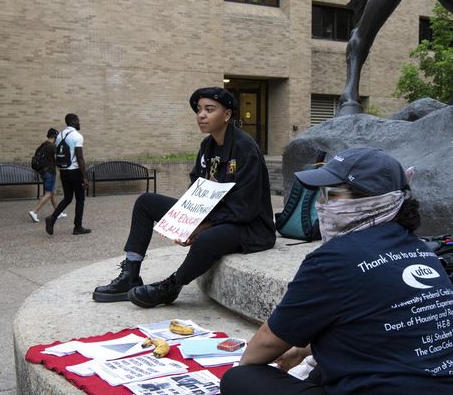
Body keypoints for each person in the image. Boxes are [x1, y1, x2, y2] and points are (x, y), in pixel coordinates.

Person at [220, 147, 453, 395]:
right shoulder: (422, 250)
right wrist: (303, 350)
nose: (321, 205)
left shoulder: (333, 259)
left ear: (370, 202)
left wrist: (248, 368)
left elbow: (267, 343)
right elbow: (382, 329)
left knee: (240, 378)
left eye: (331, 195)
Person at [93, 87, 276, 307]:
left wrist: (200, 227)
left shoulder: (245, 148)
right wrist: (184, 221)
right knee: (145, 202)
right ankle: (130, 275)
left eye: (210, 109)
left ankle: (171, 286)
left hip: (250, 226)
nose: (201, 115)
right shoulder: (207, 146)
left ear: (227, 115)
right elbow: (196, 191)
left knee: (207, 239)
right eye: (199, 109)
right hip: (216, 217)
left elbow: (244, 209)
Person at [45, 113, 90, 235]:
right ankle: (78, 227)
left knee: (68, 198)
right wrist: (85, 177)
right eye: (78, 121)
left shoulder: (60, 135)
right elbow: (80, 157)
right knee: (80, 198)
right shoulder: (77, 136)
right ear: (74, 121)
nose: (79, 123)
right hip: (75, 171)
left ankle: (52, 218)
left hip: (63, 171)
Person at [28, 128, 67, 222]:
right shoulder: (52, 147)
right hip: (49, 172)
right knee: (49, 193)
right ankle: (34, 211)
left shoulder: (42, 145)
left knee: (52, 192)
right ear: (54, 137)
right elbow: (58, 158)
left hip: (43, 172)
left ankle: (58, 212)